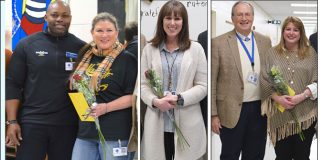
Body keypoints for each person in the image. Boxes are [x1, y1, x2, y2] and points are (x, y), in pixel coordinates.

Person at [5, 1, 85, 160]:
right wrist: (12, 121)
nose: (60, 19)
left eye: (65, 15)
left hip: (67, 126)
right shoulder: (26, 45)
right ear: (45, 17)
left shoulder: (82, 48)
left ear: (70, 18)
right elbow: (13, 84)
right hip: (32, 123)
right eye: (55, 15)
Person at [141, 1, 207, 160]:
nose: (172, 23)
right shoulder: (149, 49)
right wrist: (155, 101)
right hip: (157, 123)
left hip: (188, 124)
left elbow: (203, 86)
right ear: (161, 21)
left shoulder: (196, 49)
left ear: (183, 22)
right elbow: (143, 86)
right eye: (168, 18)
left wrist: (180, 99)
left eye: (177, 19)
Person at [70, 12, 137, 160]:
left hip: (115, 134)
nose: (104, 35)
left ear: (117, 33)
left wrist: (106, 108)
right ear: (92, 33)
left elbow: (133, 97)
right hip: (86, 132)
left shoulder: (127, 59)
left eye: (109, 30)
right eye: (99, 30)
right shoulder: (85, 56)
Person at [211, 1, 271, 159]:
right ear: (232, 18)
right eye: (239, 14)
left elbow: (270, 74)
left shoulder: (265, 42)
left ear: (252, 17)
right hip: (230, 111)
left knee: (255, 154)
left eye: (247, 14)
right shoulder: (218, 43)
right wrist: (213, 115)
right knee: (230, 154)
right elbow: (212, 82)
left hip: (259, 110)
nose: (244, 18)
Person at [261, 16, 317, 160]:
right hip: (279, 116)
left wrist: (302, 96)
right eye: (288, 29)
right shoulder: (271, 53)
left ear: (301, 33)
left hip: (305, 114)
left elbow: (318, 80)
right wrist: (277, 98)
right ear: (283, 31)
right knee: (282, 156)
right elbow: (264, 80)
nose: (291, 33)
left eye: (295, 30)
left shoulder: (311, 53)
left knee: (302, 156)